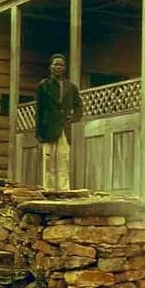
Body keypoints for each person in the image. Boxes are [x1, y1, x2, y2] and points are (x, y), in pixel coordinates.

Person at [35, 53, 83, 190]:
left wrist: (74, 117)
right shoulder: (43, 86)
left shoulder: (71, 87)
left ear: (64, 68)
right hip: (48, 128)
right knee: (49, 161)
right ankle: (48, 190)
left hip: (64, 129)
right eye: (55, 64)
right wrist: (39, 133)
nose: (58, 67)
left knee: (63, 160)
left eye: (61, 65)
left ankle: (63, 190)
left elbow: (79, 106)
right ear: (50, 67)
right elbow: (39, 111)